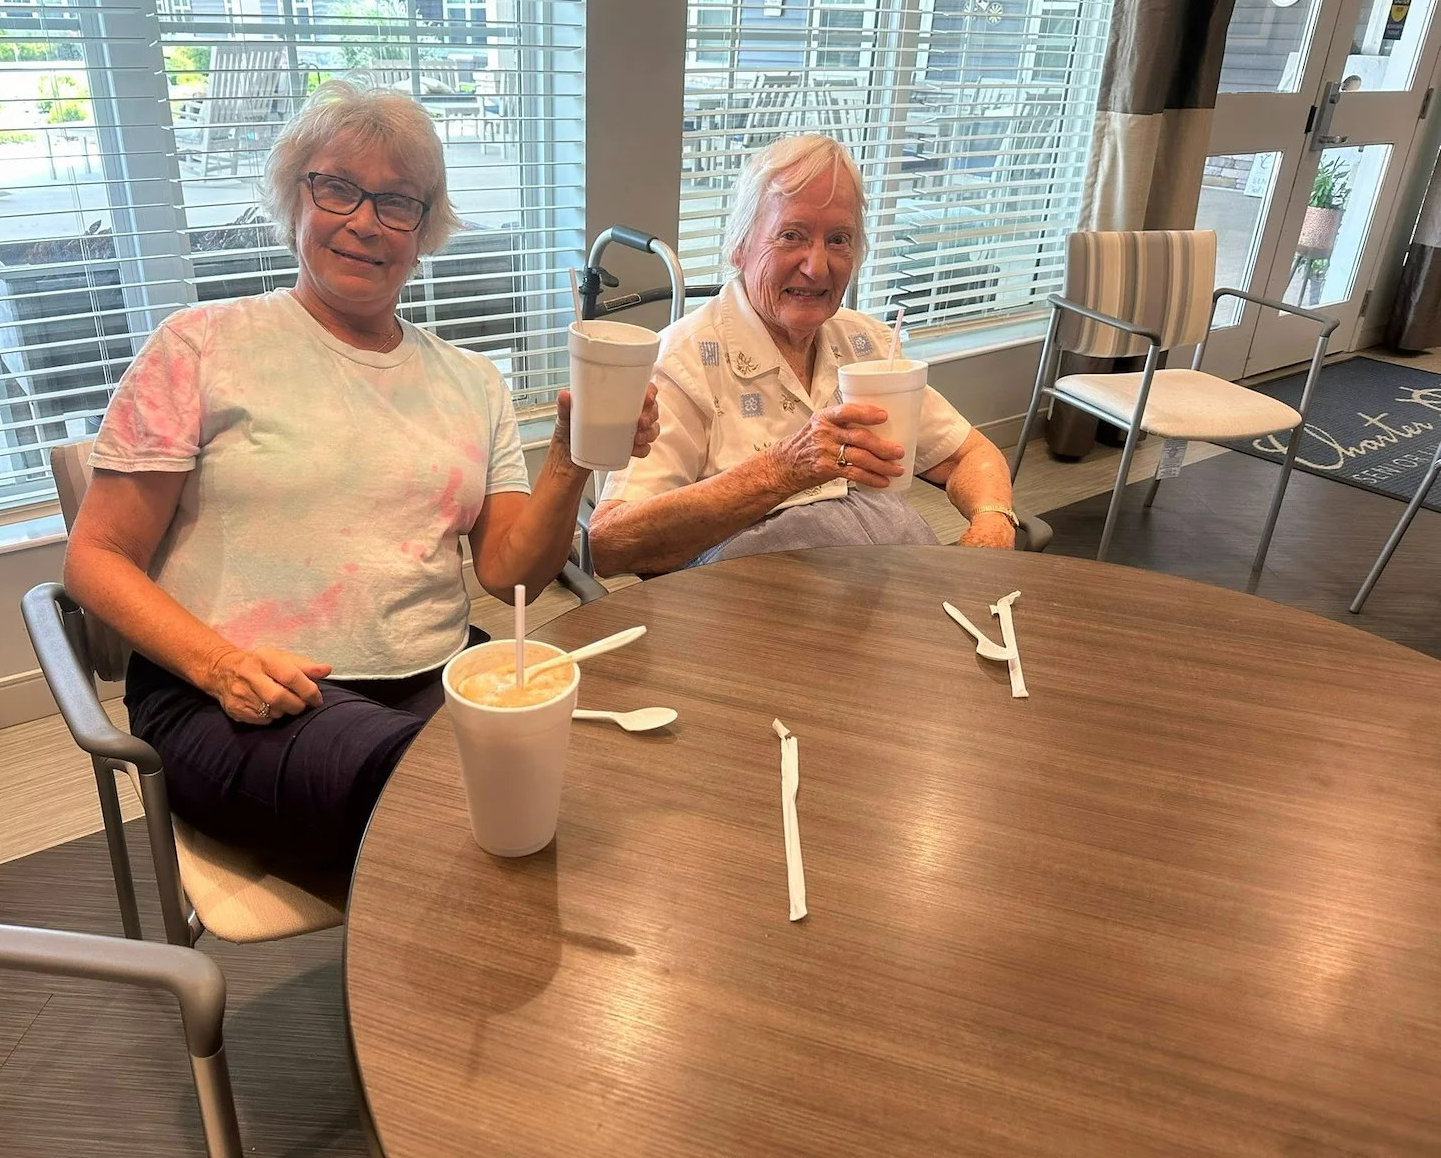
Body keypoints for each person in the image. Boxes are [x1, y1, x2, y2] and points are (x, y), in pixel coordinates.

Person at [64, 78, 658, 870]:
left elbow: (511, 572)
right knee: (455, 800)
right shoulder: (202, 346)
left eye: (397, 202)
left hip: (431, 676)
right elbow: (94, 557)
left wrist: (570, 457)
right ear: (295, 199)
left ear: (424, 227)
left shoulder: (471, 381)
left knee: (583, 780)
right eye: (338, 188)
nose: (364, 223)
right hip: (236, 695)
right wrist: (221, 664)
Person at [588, 134, 1016, 576]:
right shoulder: (684, 362)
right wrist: (782, 470)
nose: (817, 266)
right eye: (791, 235)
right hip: (763, 611)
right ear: (740, 245)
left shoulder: (867, 346)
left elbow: (970, 454)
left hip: (891, 588)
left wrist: (992, 522)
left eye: (838, 240)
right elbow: (613, 542)